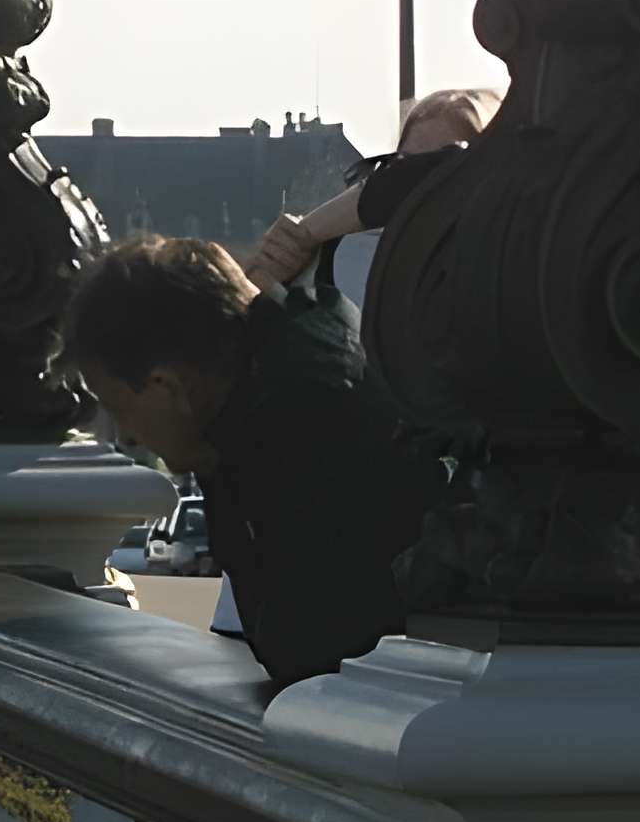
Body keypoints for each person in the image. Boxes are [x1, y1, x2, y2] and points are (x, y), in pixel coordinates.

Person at [61, 234, 449, 688]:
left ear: (166, 385)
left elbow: (310, 651)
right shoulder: (289, 396)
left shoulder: (300, 442)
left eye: (119, 407)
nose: (126, 435)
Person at [241, 88, 502, 299]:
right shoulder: (348, 262)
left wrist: (308, 231)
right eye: (403, 164)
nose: (406, 187)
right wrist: (276, 276)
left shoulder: (504, 264)